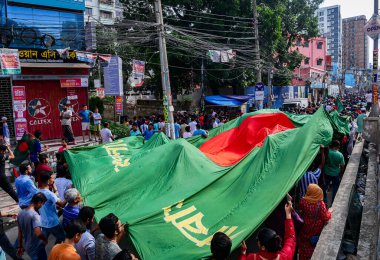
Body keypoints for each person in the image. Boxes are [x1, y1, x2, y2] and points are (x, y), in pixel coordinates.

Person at [298, 184, 332, 260]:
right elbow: (325, 217)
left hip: (305, 226)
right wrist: (329, 212)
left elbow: (300, 210)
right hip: (315, 229)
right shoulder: (320, 204)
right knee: (312, 244)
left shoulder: (303, 201)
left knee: (304, 244)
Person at [17, 192, 48, 260]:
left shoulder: (20, 213)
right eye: (42, 204)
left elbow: (20, 232)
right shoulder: (35, 215)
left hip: (28, 247)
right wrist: (45, 239)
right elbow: (38, 233)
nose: (41, 206)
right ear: (39, 202)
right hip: (37, 247)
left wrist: (20, 246)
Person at [38, 172, 66, 244]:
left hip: (44, 222)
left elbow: (46, 205)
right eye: (52, 178)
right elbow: (62, 204)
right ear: (48, 181)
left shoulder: (37, 191)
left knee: (43, 242)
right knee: (64, 239)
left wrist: (55, 206)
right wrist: (69, 196)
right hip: (53, 222)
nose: (54, 180)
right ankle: (56, 252)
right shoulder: (50, 194)